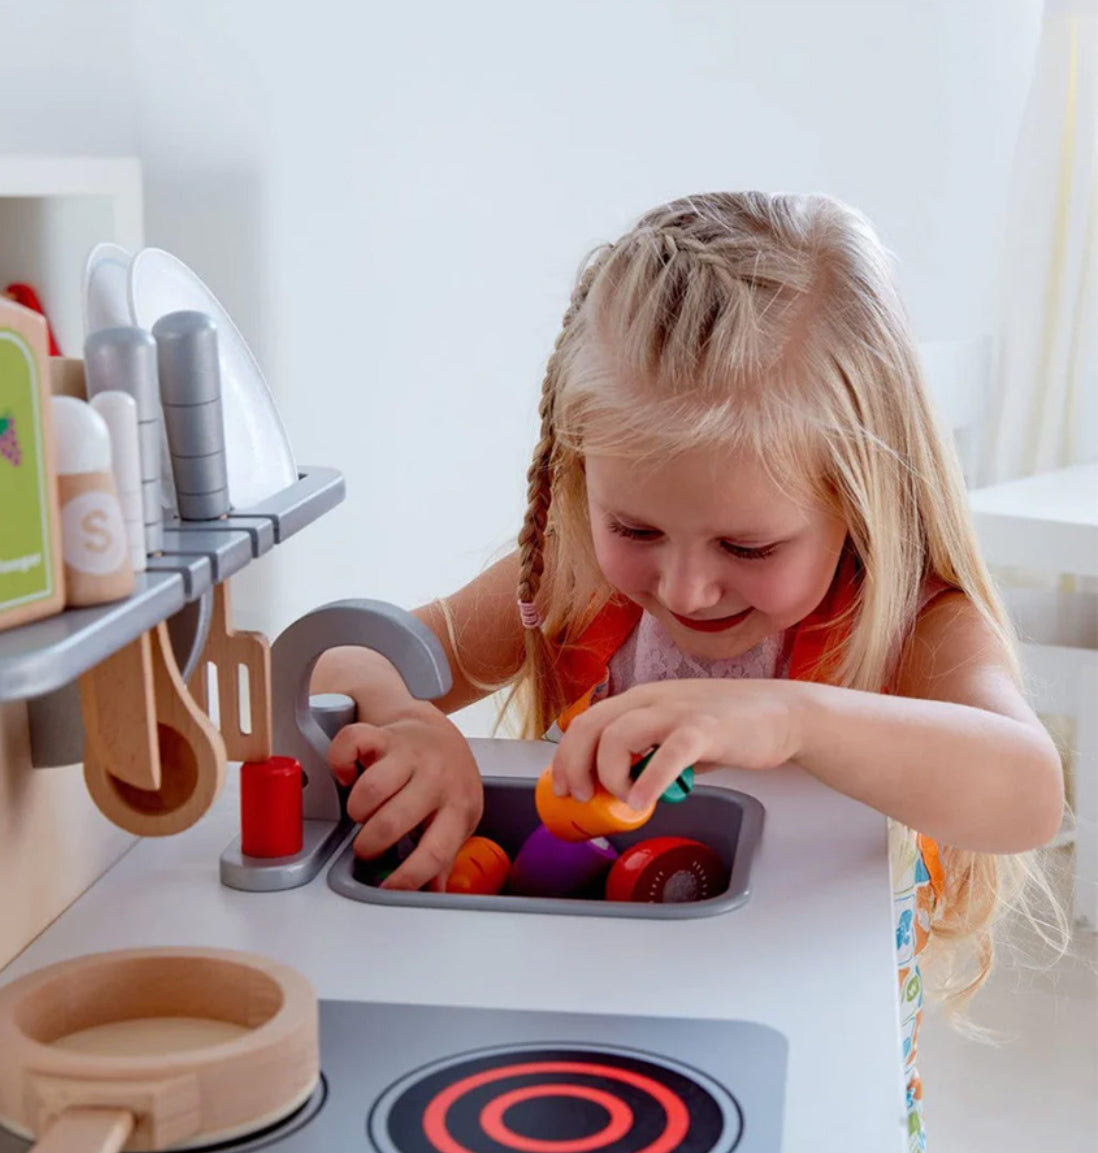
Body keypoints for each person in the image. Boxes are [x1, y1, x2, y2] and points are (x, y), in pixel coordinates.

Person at [312, 191, 1066, 1150]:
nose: (686, 587)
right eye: (635, 527)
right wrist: (404, 718)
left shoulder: (914, 622)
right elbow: (342, 657)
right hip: (592, 1029)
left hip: (806, 1051)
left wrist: (790, 717)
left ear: (860, 498)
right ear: (581, 475)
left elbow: (1026, 791)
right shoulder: (573, 577)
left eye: (748, 546)